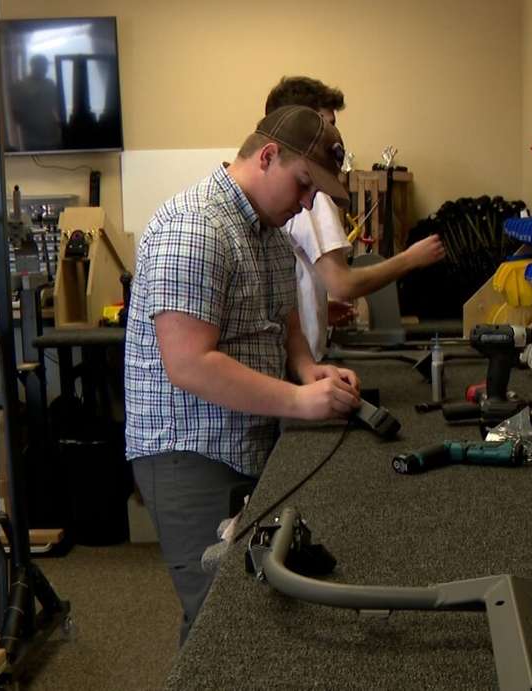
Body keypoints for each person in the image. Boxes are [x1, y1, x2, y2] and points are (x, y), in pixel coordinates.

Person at [124, 105, 361, 644]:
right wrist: (299, 402)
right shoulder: (195, 227)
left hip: (247, 438)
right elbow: (188, 363)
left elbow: (284, 318)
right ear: (267, 156)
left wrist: (307, 368)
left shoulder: (269, 232)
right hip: (190, 451)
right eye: (304, 184)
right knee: (217, 623)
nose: (308, 202)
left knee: (254, 608)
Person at [265, 76, 446, 360]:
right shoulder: (312, 195)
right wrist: (410, 259)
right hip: (300, 366)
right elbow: (342, 284)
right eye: (328, 124)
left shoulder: (278, 195)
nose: (335, 137)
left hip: (299, 361)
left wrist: (317, 312)